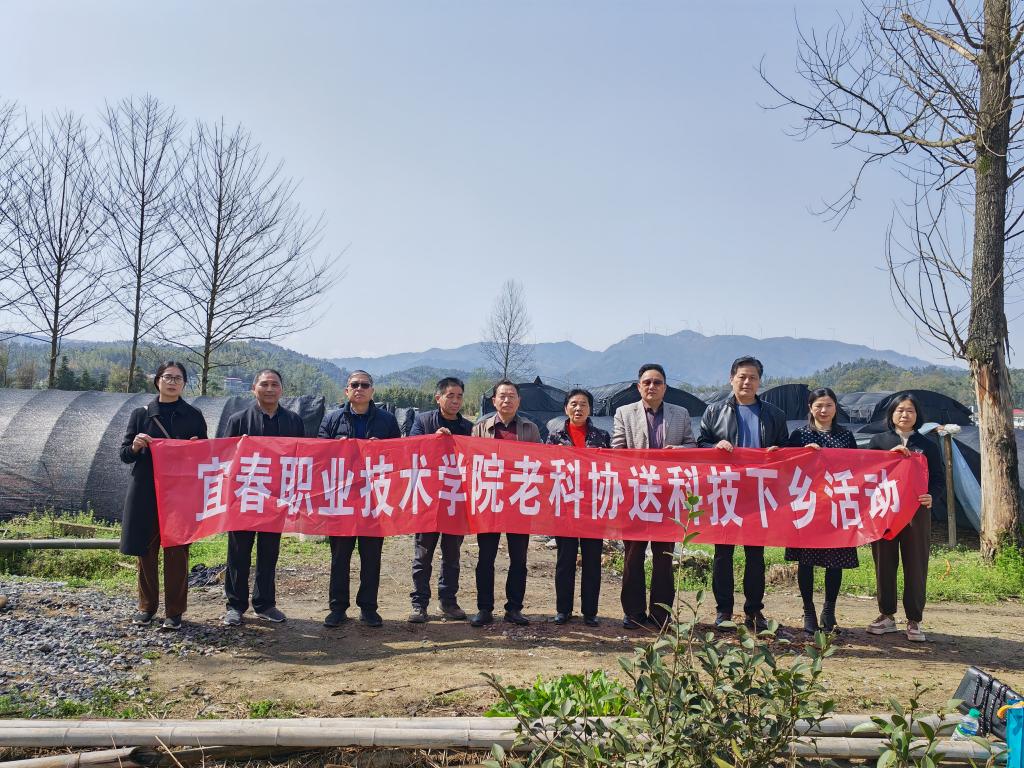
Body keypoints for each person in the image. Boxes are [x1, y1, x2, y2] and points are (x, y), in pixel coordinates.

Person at [697, 355, 788, 632]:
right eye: (742, 377)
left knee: (755, 555)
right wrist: (714, 446)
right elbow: (700, 444)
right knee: (722, 554)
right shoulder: (714, 411)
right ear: (731, 379)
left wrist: (777, 452)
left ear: (760, 382)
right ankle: (723, 610)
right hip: (725, 490)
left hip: (758, 493)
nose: (747, 382)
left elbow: (786, 450)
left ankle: (754, 611)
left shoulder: (774, 414)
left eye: (753, 378)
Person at [119, 362, 208, 631]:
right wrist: (136, 446)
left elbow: (206, 456)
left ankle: (175, 611)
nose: (172, 382)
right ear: (157, 380)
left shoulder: (193, 415)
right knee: (146, 551)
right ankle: (147, 607)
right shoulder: (142, 414)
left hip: (180, 494)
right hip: (146, 491)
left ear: (184, 384)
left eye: (178, 378)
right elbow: (124, 455)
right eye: (167, 377)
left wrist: (197, 448)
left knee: (177, 552)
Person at [611, 363, 696, 630]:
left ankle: (661, 615)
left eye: (657, 382)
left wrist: (679, 450)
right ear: (639, 387)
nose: (652, 386)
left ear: (665, 387)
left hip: (669, 497)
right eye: (647, 382)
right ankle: (633, 613)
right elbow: (617, 449)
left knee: (664, 557)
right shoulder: (624, 413)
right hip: (636, 495)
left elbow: (692, 445)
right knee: (633, 555)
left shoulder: (680, 414)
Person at [222, 369, 306, 627]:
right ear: (254, 388)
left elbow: (302, 457)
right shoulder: (238, 420)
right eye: (264, 384)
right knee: (238, 552)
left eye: (274, 384)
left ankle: (265, 604)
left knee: (269, 552)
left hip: (275, 497)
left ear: (282, 389)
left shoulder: (293, 421)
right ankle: (235, 606)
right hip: (243, 497)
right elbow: (223, 457)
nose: (270, 389)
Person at [318, 370, 401, 628]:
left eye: (365, 385)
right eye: (354, 384)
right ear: (346, 391)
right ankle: (337, 608)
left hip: (374, 499)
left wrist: (382, 448)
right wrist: (336, 447)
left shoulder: (387, 421)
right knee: (339, 556)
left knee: (371, 556)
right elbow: (318, 454)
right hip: (342, 498)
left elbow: (400, 456)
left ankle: (368, 607)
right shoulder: (332, 419)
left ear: (372, 391)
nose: (359, 389)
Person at [866, 392, 944, 643]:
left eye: (910, 410)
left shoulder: (928, 445)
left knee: (916, 564)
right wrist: (890, 456)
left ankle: (914, 619)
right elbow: (868, 474)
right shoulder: (878, 441)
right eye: (900, 410)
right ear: (891, 414)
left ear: (917, 415)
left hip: (916, 513)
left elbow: (939, 478)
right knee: (884, 563)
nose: (904, 414)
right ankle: (886, 614)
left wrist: (932, 495)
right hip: (885, 511)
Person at [784, 387, 859, 634]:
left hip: (836, 506)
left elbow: (859, 467)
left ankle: (829, 609)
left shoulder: (846, 436)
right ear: (810, 408)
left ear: (836, 408)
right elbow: (786, 466)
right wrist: (803, 455)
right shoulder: (800, 435)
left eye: (828, 405)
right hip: (807, 507)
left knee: (835, 561)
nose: (823, 410)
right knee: (805, 561)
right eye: (818, 406)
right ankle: (808, 610)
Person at [470, 379, 542, 627]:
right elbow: (472, 461)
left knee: (519, 559)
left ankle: (514, 608)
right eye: (502, 396)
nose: (507, 400)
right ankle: (484, 608)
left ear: (519, 401)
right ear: (494, 401)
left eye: (511, 396)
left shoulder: (530, 429)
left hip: (519, 500)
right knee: (486, 558)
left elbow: (540, 462)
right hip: (490, 501)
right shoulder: (481, 428)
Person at [407, 376, 475, 623]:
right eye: (450, 396)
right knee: (423, 554)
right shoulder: (423, 421)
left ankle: (448, 601)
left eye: (459, 396)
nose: (455, 401)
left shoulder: (468, 428)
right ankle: (419, 603)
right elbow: (410, 449)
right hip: (429, 500)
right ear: (438, 398)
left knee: (452, 555)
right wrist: (432, 440)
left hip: (456, 499)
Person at [546, 388, 610, 627]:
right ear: (566, 408)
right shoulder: (554, 437)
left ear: (590, 409)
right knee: (565, 559)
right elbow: (546, 468)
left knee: (592, 560)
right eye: (573, 404)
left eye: (583, 404)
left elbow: (611, 468)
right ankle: (563, 609)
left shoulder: (602, 437)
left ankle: (590, 611)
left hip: (593, 507)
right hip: (565, 506)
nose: (578, 408)